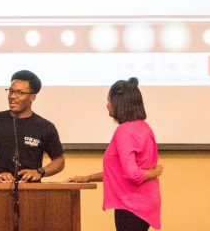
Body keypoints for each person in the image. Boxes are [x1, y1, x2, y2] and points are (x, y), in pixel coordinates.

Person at [66, 77, 163, 231]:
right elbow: (120, 172)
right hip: (142, 204)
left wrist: (152, 173)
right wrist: (89, 178)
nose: (107, 104)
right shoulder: (144, 127)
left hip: (131, 206)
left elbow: (133, 174)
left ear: (119, 103)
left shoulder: (125, 131)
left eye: (109, 100)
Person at [0, 69, 65, 182]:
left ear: (32, 97)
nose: (12, 96)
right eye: (11, 91)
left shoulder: (45, 126)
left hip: (31, 189)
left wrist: (40, 172)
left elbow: (59, 161)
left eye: (19, 93)